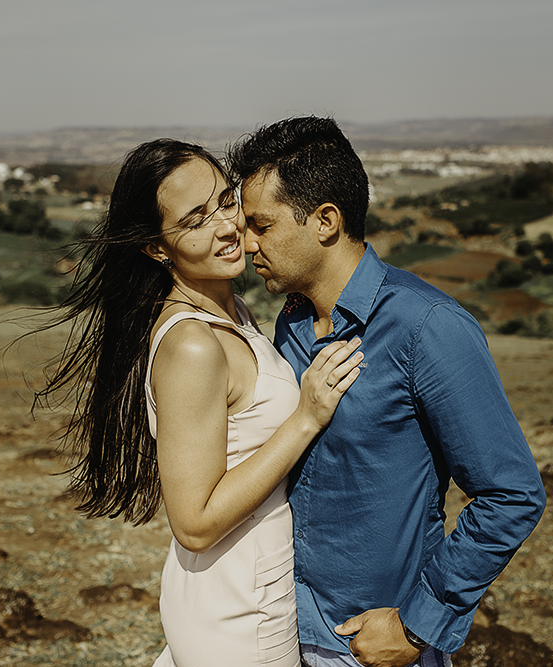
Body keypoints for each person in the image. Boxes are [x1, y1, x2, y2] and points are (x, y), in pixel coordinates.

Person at [229, 116, 547, 667]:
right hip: (280, 629)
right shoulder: (293, 321)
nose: (245, 242)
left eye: (262, 225)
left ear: (325, 220)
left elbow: (511, 494)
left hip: (367, 646)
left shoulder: (428, 328)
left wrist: (419, 624)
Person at [32, 139, 364, 666]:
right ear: (158, 248)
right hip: (239, 611)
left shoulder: (234, 312)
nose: (227, 227)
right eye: (194, 220)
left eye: (225, 201)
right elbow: (194, 521)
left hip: (247, 588)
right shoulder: (192, 344)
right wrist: (305, 419)